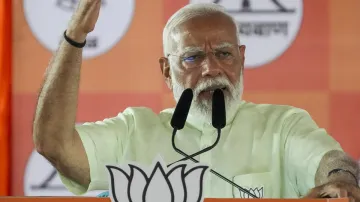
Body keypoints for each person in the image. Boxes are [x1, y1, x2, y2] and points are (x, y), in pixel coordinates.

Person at [32, 0, 360, 199]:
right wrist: (75, 36)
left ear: (241, 59)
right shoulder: (133, 131)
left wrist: (341, 180)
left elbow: (329, 162)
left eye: (223, 54)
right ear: (166, 69)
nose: (211, 69)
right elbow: (55, 145)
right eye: (191, 58)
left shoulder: (283, 126)